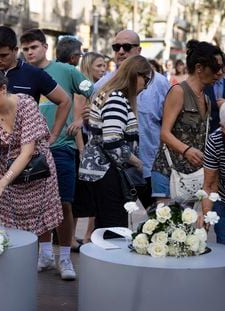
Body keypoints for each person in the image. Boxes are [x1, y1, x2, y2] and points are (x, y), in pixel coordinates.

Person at [20, 28, 94, 280]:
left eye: (34, 47)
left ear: (45, 47)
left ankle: (65, 257)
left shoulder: (67, 71)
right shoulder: (22, 72)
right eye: (26, 49)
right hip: (30, 151)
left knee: (64, 203)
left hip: (62, 148)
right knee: (38, 206)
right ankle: (45, 254)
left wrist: (82, 120)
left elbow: (96, 92)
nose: (30, 53)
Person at [0, 67, 63, 273]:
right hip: (9, 168)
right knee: (7, 216)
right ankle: (18, 262)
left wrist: (1, 183)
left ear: (3, 88)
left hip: (37, 167)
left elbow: (26, 152)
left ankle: (44, 255)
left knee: (41, 216)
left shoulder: (26, 104)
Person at [93, 29, 170, 209]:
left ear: (139, 50)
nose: (121, 51)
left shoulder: (159, 83)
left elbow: (169, 123)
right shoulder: (102, 85)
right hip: (115, 170)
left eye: (127, 47)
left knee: (158, 224)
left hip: (150, 166)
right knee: (114, 227)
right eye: (116, 47)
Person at [80, 55, 153, 234]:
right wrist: (138, 163)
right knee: (115, 229)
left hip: (99, 171)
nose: (147, 84)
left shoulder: (109, 94)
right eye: (147, 78)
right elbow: (113, 142)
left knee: (105, 227)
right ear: (135, 75)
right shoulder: (116, 98)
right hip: (107, 172)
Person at [151, 40, 224, 204]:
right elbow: (164, 133)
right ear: (199, 68)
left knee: (187, 228)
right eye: (215, 67)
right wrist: (187, 150)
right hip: (168, 173)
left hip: (192, 176)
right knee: (166, 227)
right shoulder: (179, 92)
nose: (219, 73)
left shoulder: (206, 98)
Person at [0, 26, 71, 142]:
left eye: (3, 55)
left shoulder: (34, 74)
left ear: (15, 50)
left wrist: (53, 136)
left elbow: (65, 101)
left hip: (25, 150)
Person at [72, 52, 106, 247]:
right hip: (84, 144)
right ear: (88, 66)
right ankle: (75, 237)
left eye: (104, 66)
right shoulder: (82, 89)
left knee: (93, 194)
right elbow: (77, 124)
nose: (103, 70)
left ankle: (88, 235)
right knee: (81, 195)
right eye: (99, 66)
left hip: (95, 142)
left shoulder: (98, 88)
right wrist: (82, 151)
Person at [201, 100, 225, 245]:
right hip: (224, 197)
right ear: (224, 128)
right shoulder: (215, 141)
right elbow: (210, 185)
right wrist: (206, 216)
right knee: (224, 244)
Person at [204, 55, 225, 133]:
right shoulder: (206, 84)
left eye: (222, 68)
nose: (219, 72)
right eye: (217, 68)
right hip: (210, 128)